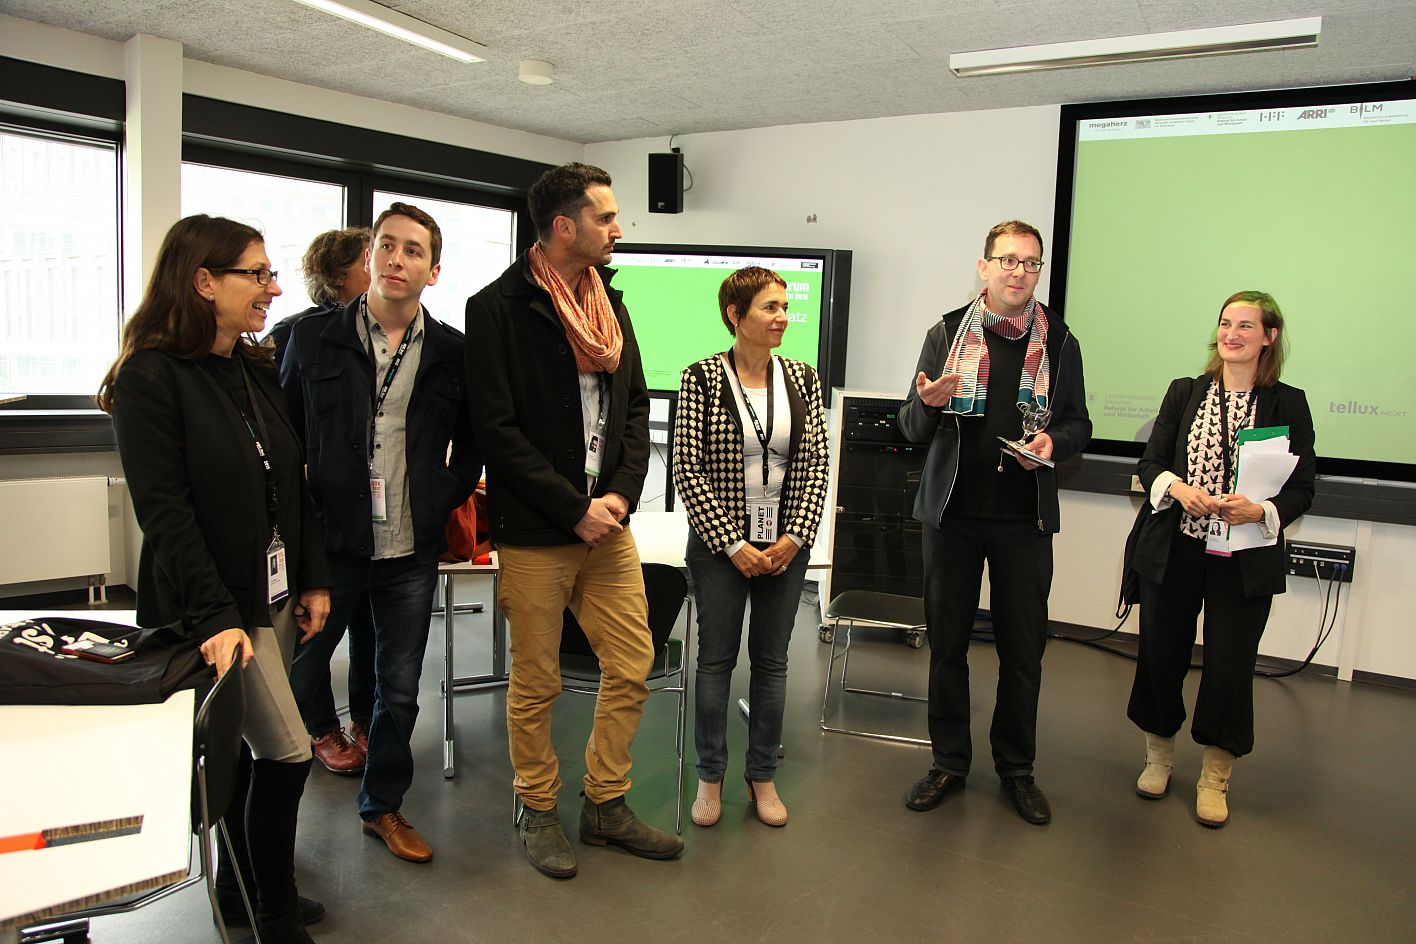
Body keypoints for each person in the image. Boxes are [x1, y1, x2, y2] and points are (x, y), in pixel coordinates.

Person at [98, 215, 332, 943]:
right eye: (255, 274)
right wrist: (216, 618)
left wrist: (313, 578)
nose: (272, 288)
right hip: (218, 605)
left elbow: (291, 484)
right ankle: (275, 914)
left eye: (269, 274)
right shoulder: (148, 378)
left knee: (250, 751)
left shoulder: (252, 367)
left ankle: (238, 889)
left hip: (272, 593)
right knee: (289, 753)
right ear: (203, 280)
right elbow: (165, 515)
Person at [465, 162, 683, 879]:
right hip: (539, 530)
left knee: (633, 661)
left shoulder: (608, 302)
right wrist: (571, 507)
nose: (619, 228)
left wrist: (618, 496)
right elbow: (496, 430)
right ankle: (536, 806)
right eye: (606, 217)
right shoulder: (496, 308)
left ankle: (605, 803)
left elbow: (635, 407)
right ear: (565, 226)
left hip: (608, 526)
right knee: (537, 681)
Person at [281, 202, 481, 863]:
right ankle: (274, 822)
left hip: (408, 548)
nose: (397, 258)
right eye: (387, 245)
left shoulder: (452, 352)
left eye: (413, 250)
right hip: (329, 544)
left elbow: (473, 446)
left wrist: (442, 496)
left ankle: (383, 808)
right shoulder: (312, 338)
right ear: (370, 257)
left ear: (433, 271)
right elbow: (282, 436)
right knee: (297, 669)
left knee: (398, 689)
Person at [896, 220, 1091, 826]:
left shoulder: (1060, 341)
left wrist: (1054, 442)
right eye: (1008, 260)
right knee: (947, 648)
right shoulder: (946, 332)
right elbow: (911, 427)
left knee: (1023, 652)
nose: (1019, 272)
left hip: (1023, 521)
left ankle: (1017, 770)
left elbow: (1078, 423)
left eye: (1030, 263)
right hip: (951, 517)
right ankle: (949, 763)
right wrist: (928, 404)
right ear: (984, 267)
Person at [1125, 291, 1315, 828]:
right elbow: (1150, 463)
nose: (1232, 334)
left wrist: (1261, 510)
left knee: (1230, 665)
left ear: (1269, 337)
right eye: (1226, 323)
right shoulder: (1184, 392)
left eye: (1246, 325)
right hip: (1177, 547)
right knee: (1161, 654)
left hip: (1244, 555)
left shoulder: (1288, 403)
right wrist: (1176, 488)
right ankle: (1158, 758)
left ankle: (1214, 777)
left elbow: (1303, 488)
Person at [672, 266, 829, 829]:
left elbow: (815, 463)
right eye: (770, 307)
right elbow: (687, 469)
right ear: (735, 316)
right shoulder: (700, 379)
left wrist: (794, 537)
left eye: (785, 306)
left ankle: (762, 775)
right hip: (720, 548)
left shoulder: (804, 379)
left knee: (772, 662)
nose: (782, 316)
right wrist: (733, 543)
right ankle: (709, 777)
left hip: (785, 544)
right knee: (715, 662)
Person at [271, 226, 377, 777]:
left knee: (369, 626)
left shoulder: (387, 333)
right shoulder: (296, 334)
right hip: (319, 514)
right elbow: (285, 429)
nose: (382, 266)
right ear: (338, 276)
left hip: (373, 516)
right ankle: (318, 727)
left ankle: (365, 717)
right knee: (316, 631)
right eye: (369, 259)